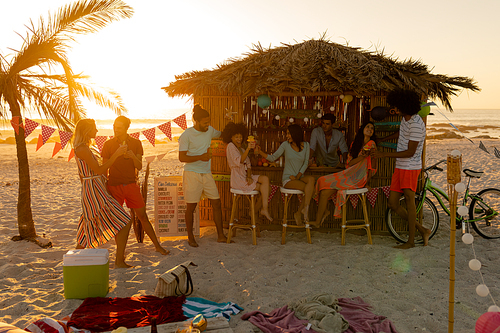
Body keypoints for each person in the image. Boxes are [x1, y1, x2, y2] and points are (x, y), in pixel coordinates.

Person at [371, 88, 431, 249]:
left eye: (397, 106)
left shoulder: (417, 124)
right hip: (400, 166)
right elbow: (402, 133)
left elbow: (411, 152)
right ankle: (423, 230)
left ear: (405, 106)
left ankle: (411, 242)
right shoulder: (406, 119)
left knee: (410, 204)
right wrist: (384, 139)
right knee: (393, 204)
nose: (394, 109)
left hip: (410, 167)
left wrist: (384, 155)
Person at [102, 116, 168, 255]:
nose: (116, 129)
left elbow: (139, 166)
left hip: (132, 185)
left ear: (126, 128)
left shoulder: (136, 143)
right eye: (114, 126)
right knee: (118, 220)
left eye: (119, 127)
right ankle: (120, 253)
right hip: (114, 186)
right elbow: (104, 168)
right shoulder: (108, 144)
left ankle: (157, 245)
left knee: (143, 217)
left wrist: (132, 156)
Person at [73, 119, 132, 268]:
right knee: (124, 221)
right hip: (93, 190)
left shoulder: (85, 147)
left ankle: (74, 259)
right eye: (94, 128)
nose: (97, 131)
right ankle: (119, 261)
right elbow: (98, 170)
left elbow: (88, 174)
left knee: (89, 224)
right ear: (86, 131)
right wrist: (116, 154)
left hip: (95, 188)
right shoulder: (82, 149)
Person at [178, 104, 228, 247]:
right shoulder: (186, 135)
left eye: (209, 122)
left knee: (216, 202)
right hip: (192, 173)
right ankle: (190, 237)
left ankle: (220, 235)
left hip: (206, 173)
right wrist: (201, 157)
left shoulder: (210, 130)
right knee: (191, 206)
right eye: (205, 122)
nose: (208, 125)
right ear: (197, 122)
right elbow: (182, 158)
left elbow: (222, 134)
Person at [312, 122, 378, 227]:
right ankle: (318, 221)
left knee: (324, 183)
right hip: (349, 174)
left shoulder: (371, 144)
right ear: (362, 129)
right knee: (323, 185)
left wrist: (366, 182)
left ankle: (320, 217)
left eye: (372, 128)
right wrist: (362, 157)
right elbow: (349, 163)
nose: (370, 129)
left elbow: (372, 167)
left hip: (359, 178)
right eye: (368, 127)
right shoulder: (354, 144)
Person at [255, 124, 315, 224]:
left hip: (299, 177)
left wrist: (297, 177)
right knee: (309, 189)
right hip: (288, 179)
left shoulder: (306, 145)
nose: (287, 136)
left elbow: (305, 163)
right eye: (286, 134)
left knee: (311, 180)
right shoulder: (285, 145)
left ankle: (301, 210)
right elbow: (273, 157)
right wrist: (260, 151)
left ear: (295, 134)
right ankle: (302, 211)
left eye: (288, 134)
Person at [221, 122, 273, 221]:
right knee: (265, 188)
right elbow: (240, 160)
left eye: (240, 137)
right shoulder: (230, 146)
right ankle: (256, 211)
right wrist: (248, 149)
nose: (239, 139)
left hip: (245, 176)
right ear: (231, 137)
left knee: (265, 180)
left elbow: (248, 165)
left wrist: (249, 176)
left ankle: (262, 209)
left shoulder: (241, 148)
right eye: (236, 137)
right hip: (238, 178)